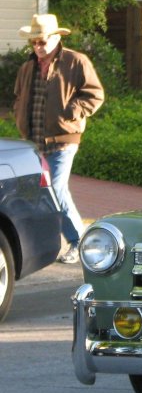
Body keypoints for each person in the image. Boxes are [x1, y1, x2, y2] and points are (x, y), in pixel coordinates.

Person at [13, 14, 105, 264]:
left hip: (65, 140)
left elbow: (95, 95)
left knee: (56, 188)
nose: (37, 47)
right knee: (39, 192)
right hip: (35, 142)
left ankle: (78, 243)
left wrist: (74, 110)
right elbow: (19, 98)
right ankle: (43, 243)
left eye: (41, 41)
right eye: (33, 43)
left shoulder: (76, 62)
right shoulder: (27, 67)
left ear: (55, 38)